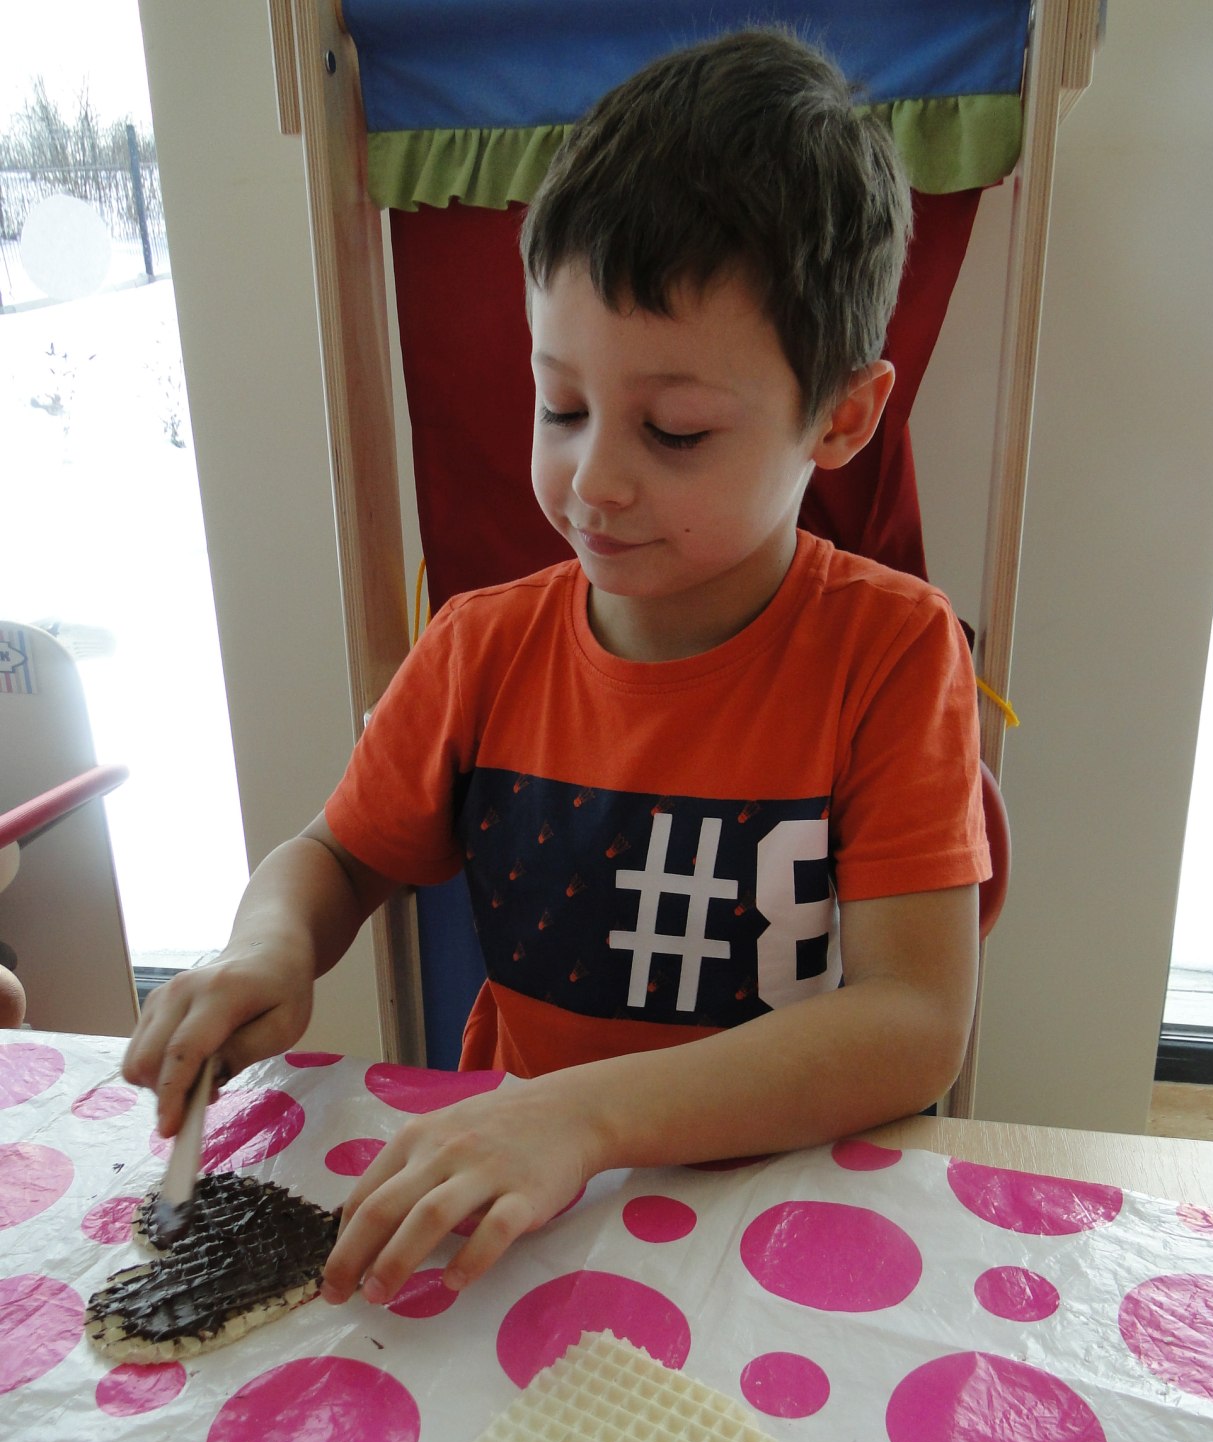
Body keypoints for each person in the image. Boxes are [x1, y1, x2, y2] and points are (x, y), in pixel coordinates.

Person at [124, 28, 990, 1308]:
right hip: (533, 1222)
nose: (594, 479)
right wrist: (269, 945)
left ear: (842, 416)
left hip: (791, 1229)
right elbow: (338, 857)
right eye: (561, 405)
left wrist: (586, 1113)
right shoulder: (483, 645)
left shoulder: (892, 650)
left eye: (674, 429)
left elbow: (912, 1024)